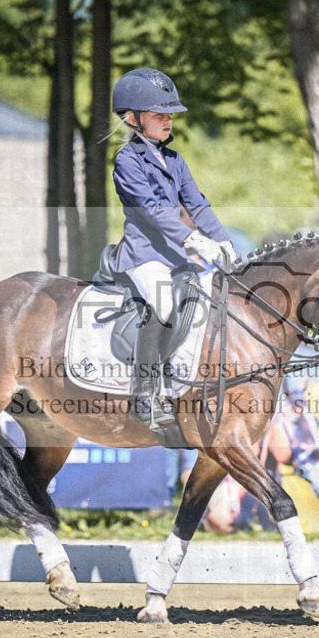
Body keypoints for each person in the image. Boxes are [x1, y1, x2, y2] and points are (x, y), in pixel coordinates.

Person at [110, 68, 236, 428]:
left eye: (169, 115)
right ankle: (144, 395)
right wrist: (196, 240)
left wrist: (222, 240)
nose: (167, 121)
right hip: (144, 255)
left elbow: (197, 205)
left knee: (207, 302)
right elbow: (150, 211)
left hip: (176, 256)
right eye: (158, 115)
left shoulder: (175, 159)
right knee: (164, 304)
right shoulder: (127, 161)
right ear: (134, 119)